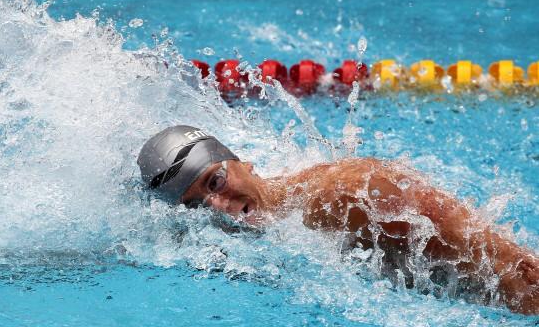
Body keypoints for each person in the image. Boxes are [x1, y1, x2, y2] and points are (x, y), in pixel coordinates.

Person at [137, 125, 539, 315]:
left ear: (244, 163)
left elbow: (511, 267)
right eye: (197, 204)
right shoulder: (243, 238)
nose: (219, 206)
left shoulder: (351, 195)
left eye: (216, 180)